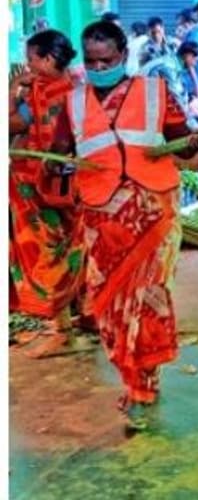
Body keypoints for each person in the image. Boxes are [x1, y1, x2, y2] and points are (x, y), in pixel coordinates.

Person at [50, 20, 198, 430]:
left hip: (152, 214)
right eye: (91, 60)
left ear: (124, 55)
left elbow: (182, 139)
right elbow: (60, 152)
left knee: (146, 300)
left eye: (108, 59)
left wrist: (194, 143)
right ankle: (130, 374)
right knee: (109, 308)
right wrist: (57, 165)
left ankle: (144, 385)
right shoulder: (74, 102)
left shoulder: (155, 92)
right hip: (102, 220)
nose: (99, 66)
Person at [9, 30, 84, 357]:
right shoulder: (75, 92)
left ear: (48, 60)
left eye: (31, 59)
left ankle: (60, 329)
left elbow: (10, 124)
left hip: (42, 190)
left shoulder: (46, 95)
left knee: (47, 254)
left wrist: (11, 90)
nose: (28, 65)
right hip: (61, 189)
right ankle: (79, 319)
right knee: (68, 250)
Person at [175, 42, 198, 127]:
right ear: (188, 56)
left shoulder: (181, 68)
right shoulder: (173, 70)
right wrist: (194, 126)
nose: (197, 62)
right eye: (195, 58)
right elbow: (178, 98)